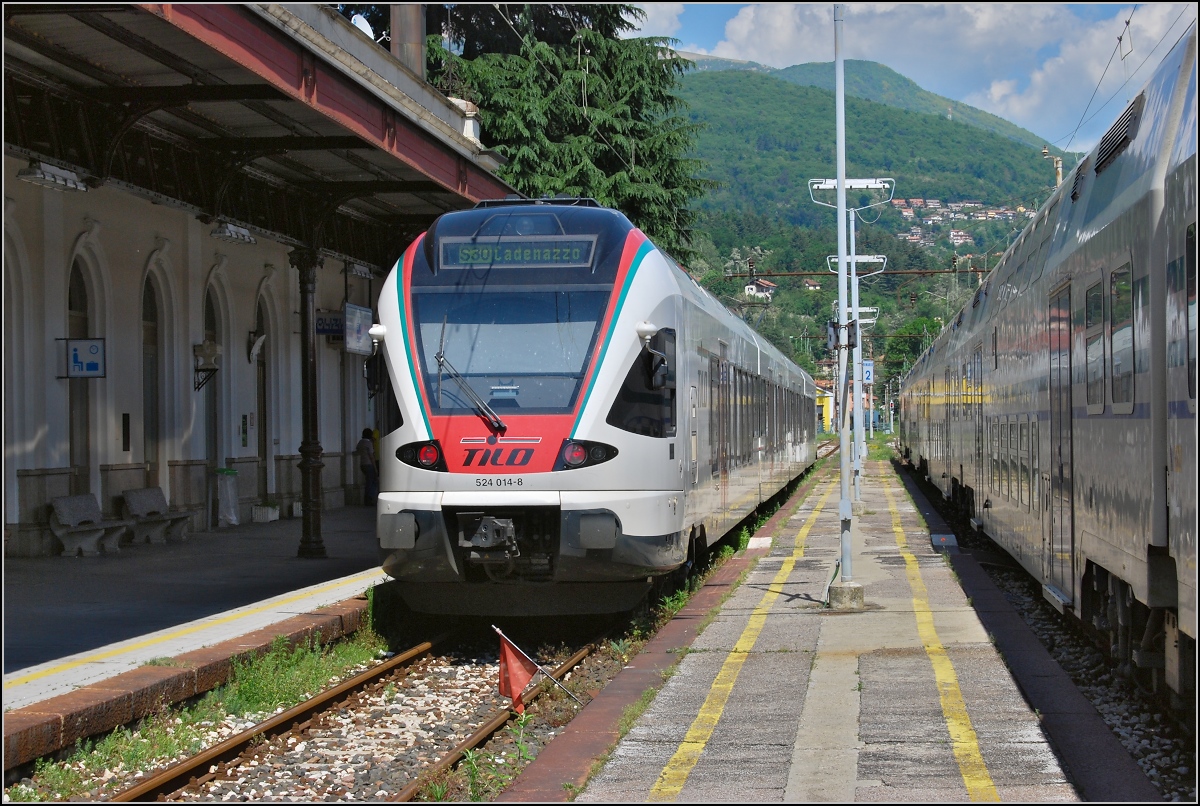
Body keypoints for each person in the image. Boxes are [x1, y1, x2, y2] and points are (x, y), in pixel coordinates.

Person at [356, 427, 378, 506]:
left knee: (368, 482)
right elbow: (371, 456)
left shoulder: (360, 442)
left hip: (362, 464)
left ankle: (367, 499)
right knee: (373, 482)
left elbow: (357, 450)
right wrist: (375, 468)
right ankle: (370, 498)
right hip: (369, 464)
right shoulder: (369, 443)